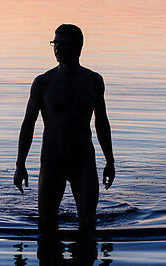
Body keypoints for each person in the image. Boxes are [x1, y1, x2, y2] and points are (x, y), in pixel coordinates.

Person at [14, 24, 114, 234]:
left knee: (88, 225)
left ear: (78, 47)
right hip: (52, 160)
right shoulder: (43, 83)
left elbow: (102, 123)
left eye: (62, 44)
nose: (57, 48)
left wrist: (110, 161)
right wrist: (20, 164)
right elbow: (28, 124)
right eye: (55, 43)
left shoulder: (93, 81)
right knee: (47, 224)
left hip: (83, 160)